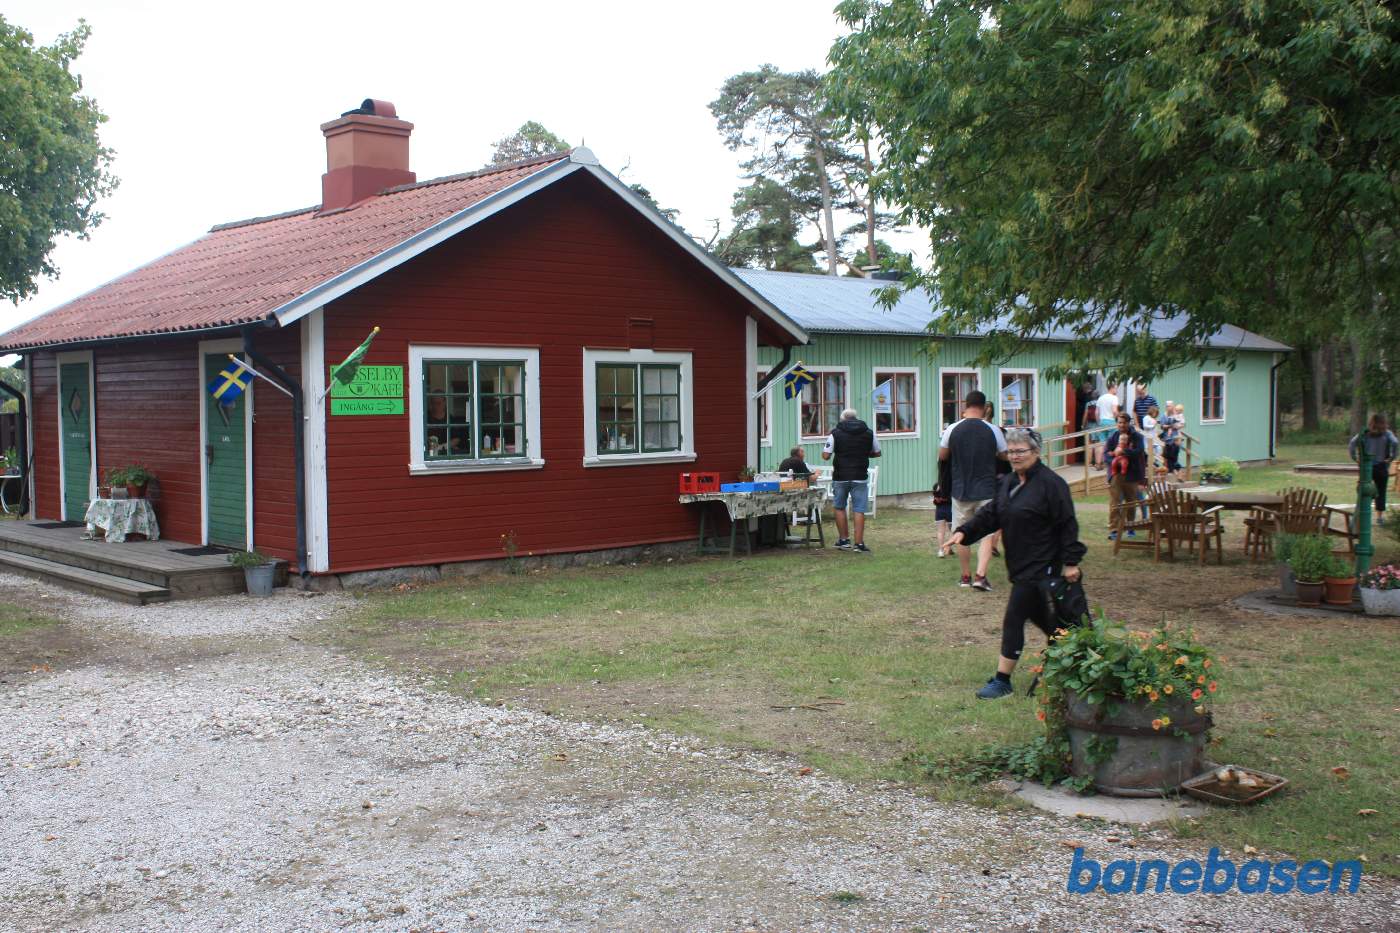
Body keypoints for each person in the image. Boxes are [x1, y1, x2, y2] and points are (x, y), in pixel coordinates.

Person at [948, 428, 1086, 699]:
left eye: (1020, 451)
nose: (1014, 456)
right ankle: (1071, 665)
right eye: (1010, 451)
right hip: (1020, 565)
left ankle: (1002, 680)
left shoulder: (1051, 484)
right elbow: (992, 514)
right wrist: (964, 532)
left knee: (1014, 618)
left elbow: (1067, 524)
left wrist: (1071, 562)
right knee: (1054, 625)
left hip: (1044, 565)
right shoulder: (1009, 482)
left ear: (1036, 452)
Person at [939, 390, 1007, 590]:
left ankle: (965, 576)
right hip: (986, 488)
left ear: (965, 406)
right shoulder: (993, 429)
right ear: (985, 408)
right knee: (986, 533)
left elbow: (943, 456)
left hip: (960, 489)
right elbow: (1004, 455)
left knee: (962, 532)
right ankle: (980, 576)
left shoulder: (952, 429)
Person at [822, 408, 881, 552]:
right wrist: (865, 454)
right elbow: (877, 452)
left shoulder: (835, 433)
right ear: (856, 418)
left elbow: (825, 455)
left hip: (841, 476)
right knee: (859, 509)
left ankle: (844, 540)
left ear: (843, 419)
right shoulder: (868, 432)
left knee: (839, 507)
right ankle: (859, 544)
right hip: (860, 476)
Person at [1102, 412, 1147, 540]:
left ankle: (1130, 528)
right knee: (1115, 502)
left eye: (1124, 422)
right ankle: (1114, 530)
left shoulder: (1137, 436)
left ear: (1128, 423)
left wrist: (1123, 452)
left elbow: (1139, 451)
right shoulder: (1113, 436)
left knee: (1131, 502)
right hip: (1116, 474)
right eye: (1119, 422)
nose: (1121, 425)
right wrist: (1115, 462)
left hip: (1132, 474)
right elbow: (1105, 454)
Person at [1350, 414, 1398, 524]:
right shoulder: (1387, 433)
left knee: (1363, 490)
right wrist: (1392, 457)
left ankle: (1360, 515)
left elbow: (1353, 443)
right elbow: (1395, 442)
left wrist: (1355, 457)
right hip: (1381, 466)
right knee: (1381, 491)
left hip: (1366, 467)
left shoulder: (1365, 433)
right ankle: (1379, 517)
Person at [1093, 383, 1120, 468]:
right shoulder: (1114, 398)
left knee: (1101, 443)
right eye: (1116, 388)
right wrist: (1117, 419)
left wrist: (1099, 422)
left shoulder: (1101, 398)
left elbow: (1096, 412)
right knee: (1112, 443)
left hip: (1102, 421)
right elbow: (1115, 411)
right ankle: (1109, 463)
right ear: (1112, 388)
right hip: (1111, 421)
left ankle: (1098, 463)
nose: (1117, 390)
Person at [933, 456, 954, 558]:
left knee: (940, 531)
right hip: (950, 510)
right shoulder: (952, 484)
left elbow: (935, 500)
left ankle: (941, 551)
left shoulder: (936, 485)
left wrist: (939, 500)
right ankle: (948, 548)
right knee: (953, 530)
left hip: (939, 511)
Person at [1160, 401, 1183, 475]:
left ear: (1173, 406)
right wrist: (1170, 426)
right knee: (1169, 455)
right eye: (1167, 406)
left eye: (1170, 406)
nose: (1168, 407)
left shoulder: (1177, 415)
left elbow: (1182, 424)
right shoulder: (1164, 416)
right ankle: (1174, 469)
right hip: (1167, 438)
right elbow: (1162, 426)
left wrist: (1177, 426)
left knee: (1175, 453)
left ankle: (1175, 469)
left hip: (1176, 438)